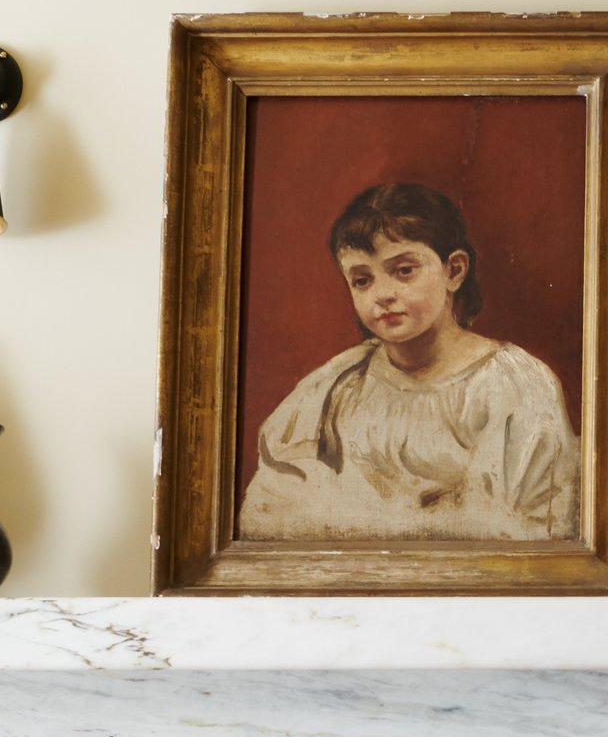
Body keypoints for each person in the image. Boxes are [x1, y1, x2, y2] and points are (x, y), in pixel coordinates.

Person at [238, 180, 579, 541]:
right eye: (362, 280)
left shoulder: (511, 384)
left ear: (454, 271)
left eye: (403, 271)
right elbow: (264, 513)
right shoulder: (336, 385)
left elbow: (524, 530)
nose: (383, 295)